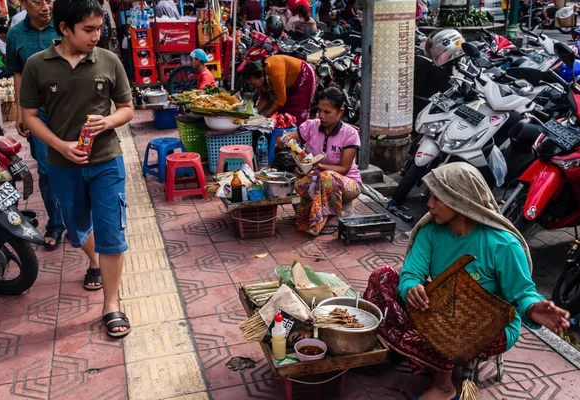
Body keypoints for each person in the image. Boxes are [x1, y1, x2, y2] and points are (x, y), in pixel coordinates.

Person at [363, 163, 570, 400]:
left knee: (451, 315)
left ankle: (444, 386)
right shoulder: (430, 231)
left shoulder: (503, 245)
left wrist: (533, 308)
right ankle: (392, 349)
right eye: (430, 196)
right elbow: (411, 273)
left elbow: (522, 294)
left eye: (437, 198)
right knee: (383, 275)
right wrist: (411, 287)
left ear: (460, 200)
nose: (429, 204)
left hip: (489, 326)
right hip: (438, 310)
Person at [20, 0, 134, 338]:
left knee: (112, 231)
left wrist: (108, 121)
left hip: (106, 162)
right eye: (88, 29)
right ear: (65, 28)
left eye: (99, 28)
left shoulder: (109, 60)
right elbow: (28, 116)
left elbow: (127, 107)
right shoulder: (37, 65)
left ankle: (111, 304)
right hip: (62, 166)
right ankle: (94, 261)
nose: (96, 36)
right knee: (77, 225)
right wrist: (59, 145)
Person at [6, 0, 66, 250]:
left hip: (69, 109)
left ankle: (79, 220)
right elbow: (18, 73)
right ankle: (56, 224)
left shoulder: (65, 25)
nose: (45, 7)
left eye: (49, 0)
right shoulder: (15, 34)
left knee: (78, 165)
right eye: (36, 2)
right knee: (48, 170)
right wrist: (20, 111)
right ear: (22, 4)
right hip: (37, 113)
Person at [277, 87, 362, 235]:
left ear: (340, 112)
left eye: (327, 112)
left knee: (327, 177)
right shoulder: (311, 126)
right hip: (317, 178)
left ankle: (333, 216)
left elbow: (344, 168)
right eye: (320, 111)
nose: (321, 116)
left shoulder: (350, 134)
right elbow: (287, 139)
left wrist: (319, 165)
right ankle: (307, 217)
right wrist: (283, 140)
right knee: (299, 185)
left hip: (348, 183)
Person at [241, 55, 316, 124]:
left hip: (303, 76)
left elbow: (280, 101)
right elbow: (264, 98)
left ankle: (297, 135)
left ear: (261, 77)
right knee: (282, 115)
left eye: (253, 84)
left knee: (295, 114)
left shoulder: (274, 73)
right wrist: (253, 112)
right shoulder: (262, 78)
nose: (253, 87)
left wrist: (264, 116)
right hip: (289, 83)